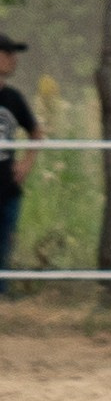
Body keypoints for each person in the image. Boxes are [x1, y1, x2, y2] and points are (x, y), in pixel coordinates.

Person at [0, 34, 39, 290]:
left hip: (7, 190)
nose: (14, 60)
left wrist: (25, 164)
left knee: (2, 247)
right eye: (9, 53)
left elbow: (36, 132)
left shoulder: (14, 98)